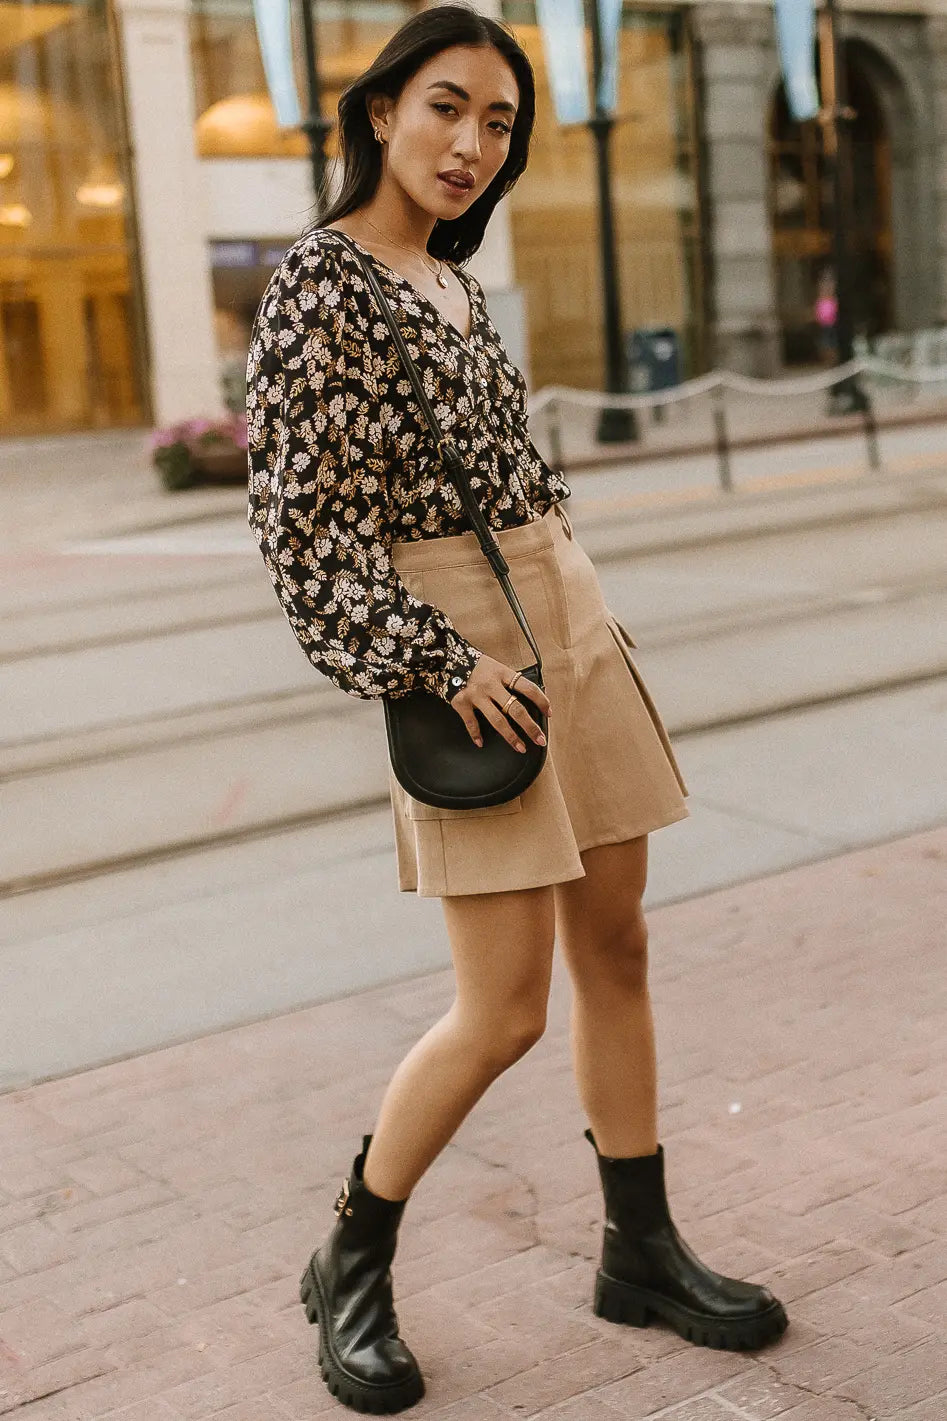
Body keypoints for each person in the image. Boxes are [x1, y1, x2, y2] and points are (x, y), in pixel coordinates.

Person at [246, 5, 788, 1412]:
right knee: (500, 1010)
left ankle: (642, 1251)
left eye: (498, 123)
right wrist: (439, 659)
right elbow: (307, 544)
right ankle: (349, 1256)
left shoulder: (453, 285)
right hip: (460, 649)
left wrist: (571, 595)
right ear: (380, 112)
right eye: (446, 107)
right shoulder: (321, 284)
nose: (472, 144)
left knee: (618, 942)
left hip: (568, 611)